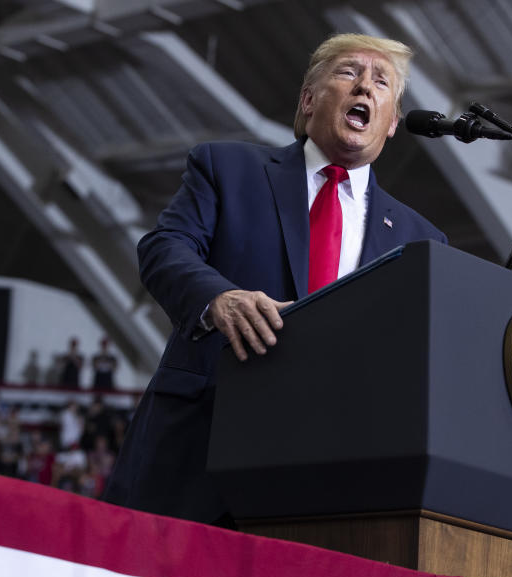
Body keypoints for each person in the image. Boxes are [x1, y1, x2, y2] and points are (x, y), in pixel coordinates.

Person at [104, 33, 446, 525]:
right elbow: (164, 247)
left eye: (381, 82)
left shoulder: (421, 240)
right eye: (349, 72)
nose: (365, 88)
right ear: (308, 100)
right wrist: (219, 298)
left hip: (332, 479)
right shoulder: (227, 168)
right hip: (199, 449)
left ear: (391, 123)